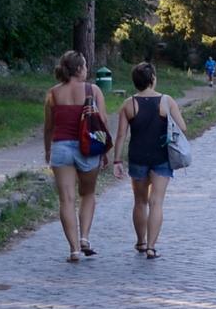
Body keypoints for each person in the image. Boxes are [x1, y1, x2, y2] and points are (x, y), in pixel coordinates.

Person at [112, 62, 189, 259]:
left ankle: (140, 241)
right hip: (161, 156)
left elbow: (121, 135)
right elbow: (183, 127)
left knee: (139, 202)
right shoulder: (166, 101)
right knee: (156, 202)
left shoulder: (129, 104)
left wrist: (117, 161)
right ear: (153, 78)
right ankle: (151, 247)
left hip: (137, 156)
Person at [43, 49, 109, 263]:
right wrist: (106, 151)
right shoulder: (93, 90)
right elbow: (103, 122)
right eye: (85, 66)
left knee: (66, 200)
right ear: (79, 69)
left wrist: (47, 150)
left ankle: (73, 249)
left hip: (61, 148)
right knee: (88, 194)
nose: (87, 70)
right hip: (87, 147)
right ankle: (84, 237)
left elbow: (48, 127)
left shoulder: (53, 93)